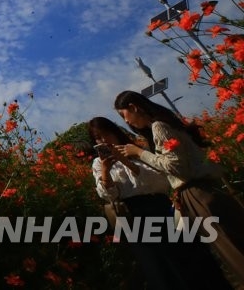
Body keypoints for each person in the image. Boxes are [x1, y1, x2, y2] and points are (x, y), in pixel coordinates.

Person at [114, 90, 244, 288]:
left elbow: (175, 166)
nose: (127, 122)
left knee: (231, 248)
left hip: (198, 193)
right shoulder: (167, 122)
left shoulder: (158, 126)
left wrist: (139, 153)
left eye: (125, 116)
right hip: (203, 190)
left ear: (133, 107)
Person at [89, 116, 230, 289]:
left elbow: (161, 182)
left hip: (160, 207)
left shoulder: (136, 151)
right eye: (98, 138)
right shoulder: (98, 163)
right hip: (134, 216)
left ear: (115, 132)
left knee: (191, 257)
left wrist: (126, 161)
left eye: (106, 134)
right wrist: (105, 170)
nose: (103, 140)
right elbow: (108, 195)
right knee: (160, 267)